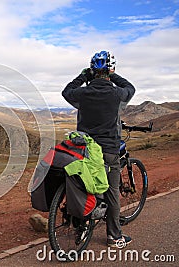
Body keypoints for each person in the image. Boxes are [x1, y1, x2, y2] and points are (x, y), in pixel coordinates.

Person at [62, 51, 135, 248]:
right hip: (108, 149)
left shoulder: (83, 93)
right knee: (112, 191)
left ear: (92, 71)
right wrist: (113, 74)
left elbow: (67, 91)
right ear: (110, 70)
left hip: (84, 149)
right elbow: (130, 88)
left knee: (84, 185)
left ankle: (82, 225)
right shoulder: (116, 94)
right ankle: (114, 236)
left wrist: (84, 76)